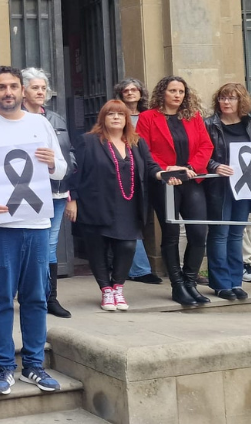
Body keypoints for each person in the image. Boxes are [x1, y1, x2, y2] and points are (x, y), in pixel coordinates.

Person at [0, 66, 66, 396]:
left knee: (36, 298)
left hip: (35, 224)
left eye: (13, 86)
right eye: (1, 87)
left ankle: (33, 366)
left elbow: (62, 168)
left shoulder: (40, 123)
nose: (8, 92)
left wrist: (52, 163)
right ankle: (4, 367)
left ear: (22, 90)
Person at [66, 100, 162, 311]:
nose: (116, 117)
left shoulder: (136, 142)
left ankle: (118, 285)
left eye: (120, 114)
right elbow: (75, 171)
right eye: (111, 114)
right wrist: (72, 199)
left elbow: (150, 165)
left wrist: (162, 173)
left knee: (127, 246)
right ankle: (106, 290)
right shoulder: (88, 141)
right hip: (96, 203)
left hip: (128, 205)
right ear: (103, 118)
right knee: (98, 248)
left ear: (127, 118)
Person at [135, 76, 214, 307]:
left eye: (181, 91)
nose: (177, 95)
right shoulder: (148, 117)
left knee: (199, 233)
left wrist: (189, 167)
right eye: (172, 90)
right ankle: (177, 285)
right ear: (163, 93)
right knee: (170, 234)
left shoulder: (194, 116)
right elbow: (144, 149)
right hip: (165, 183)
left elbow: (206, 146)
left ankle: (190, 282)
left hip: (191, 179)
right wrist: (167, 170)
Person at [20, 67, 72, 319]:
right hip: (26, 194)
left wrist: (71, 194)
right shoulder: (14, 119)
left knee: (49, 247)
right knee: (29, 246)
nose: (41, 92)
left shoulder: (56, 119)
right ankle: (31, 296)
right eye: (35, 88)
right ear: (23, 91)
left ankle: (49, 298)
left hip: (57, 193)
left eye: (43, 88)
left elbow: (68, 154)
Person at [203, 83, 251, 301]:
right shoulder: (209, 125)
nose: (226, 102)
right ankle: (220, 283)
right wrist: (214, 166)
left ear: (241, 101)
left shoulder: (250, 124)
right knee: (219, 235)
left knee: (237, 235)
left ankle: (236, 281)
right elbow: (201, 154)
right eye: (222, 98)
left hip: (245, 186)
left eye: (232, 98)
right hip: (219, 187)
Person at [113, 77, 162, 285]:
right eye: (126, 90)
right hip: (124, 173)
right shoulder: (115, 116)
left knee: (146, 220)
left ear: (141, 93)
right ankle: (140, 268)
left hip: (150, 170)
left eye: (134, 89)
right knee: (130, 221)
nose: (131, 93)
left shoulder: (150, 116)